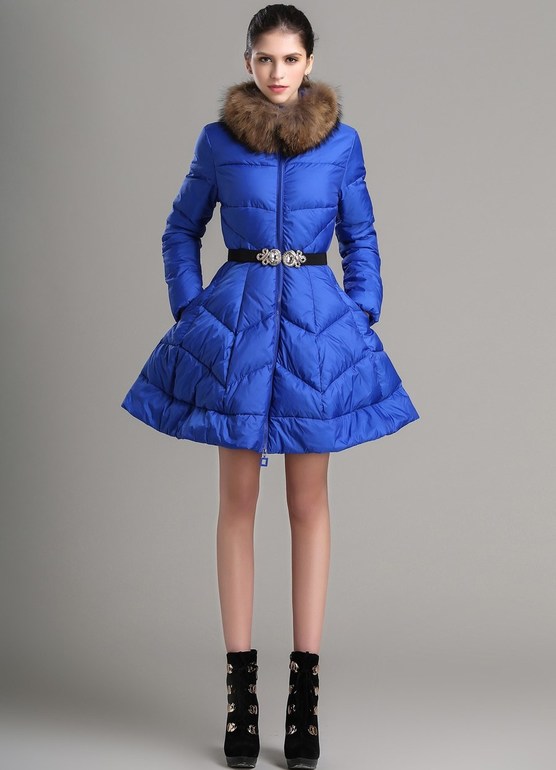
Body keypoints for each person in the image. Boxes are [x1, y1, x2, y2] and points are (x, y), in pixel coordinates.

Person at [121, 4, 419, 768]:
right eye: (265, 58)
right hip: (240, 330)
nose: (277, 72)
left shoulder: (342, 141)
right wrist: (193, 309)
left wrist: (361, 309)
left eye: (290, 58)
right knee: (237, 504)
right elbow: (179, 230)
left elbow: (361, 236)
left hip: (316, 333)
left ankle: (304, 696)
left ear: (309, 61)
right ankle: (241, 694)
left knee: (309, 505)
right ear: (248, 62)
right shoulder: (217, 141)